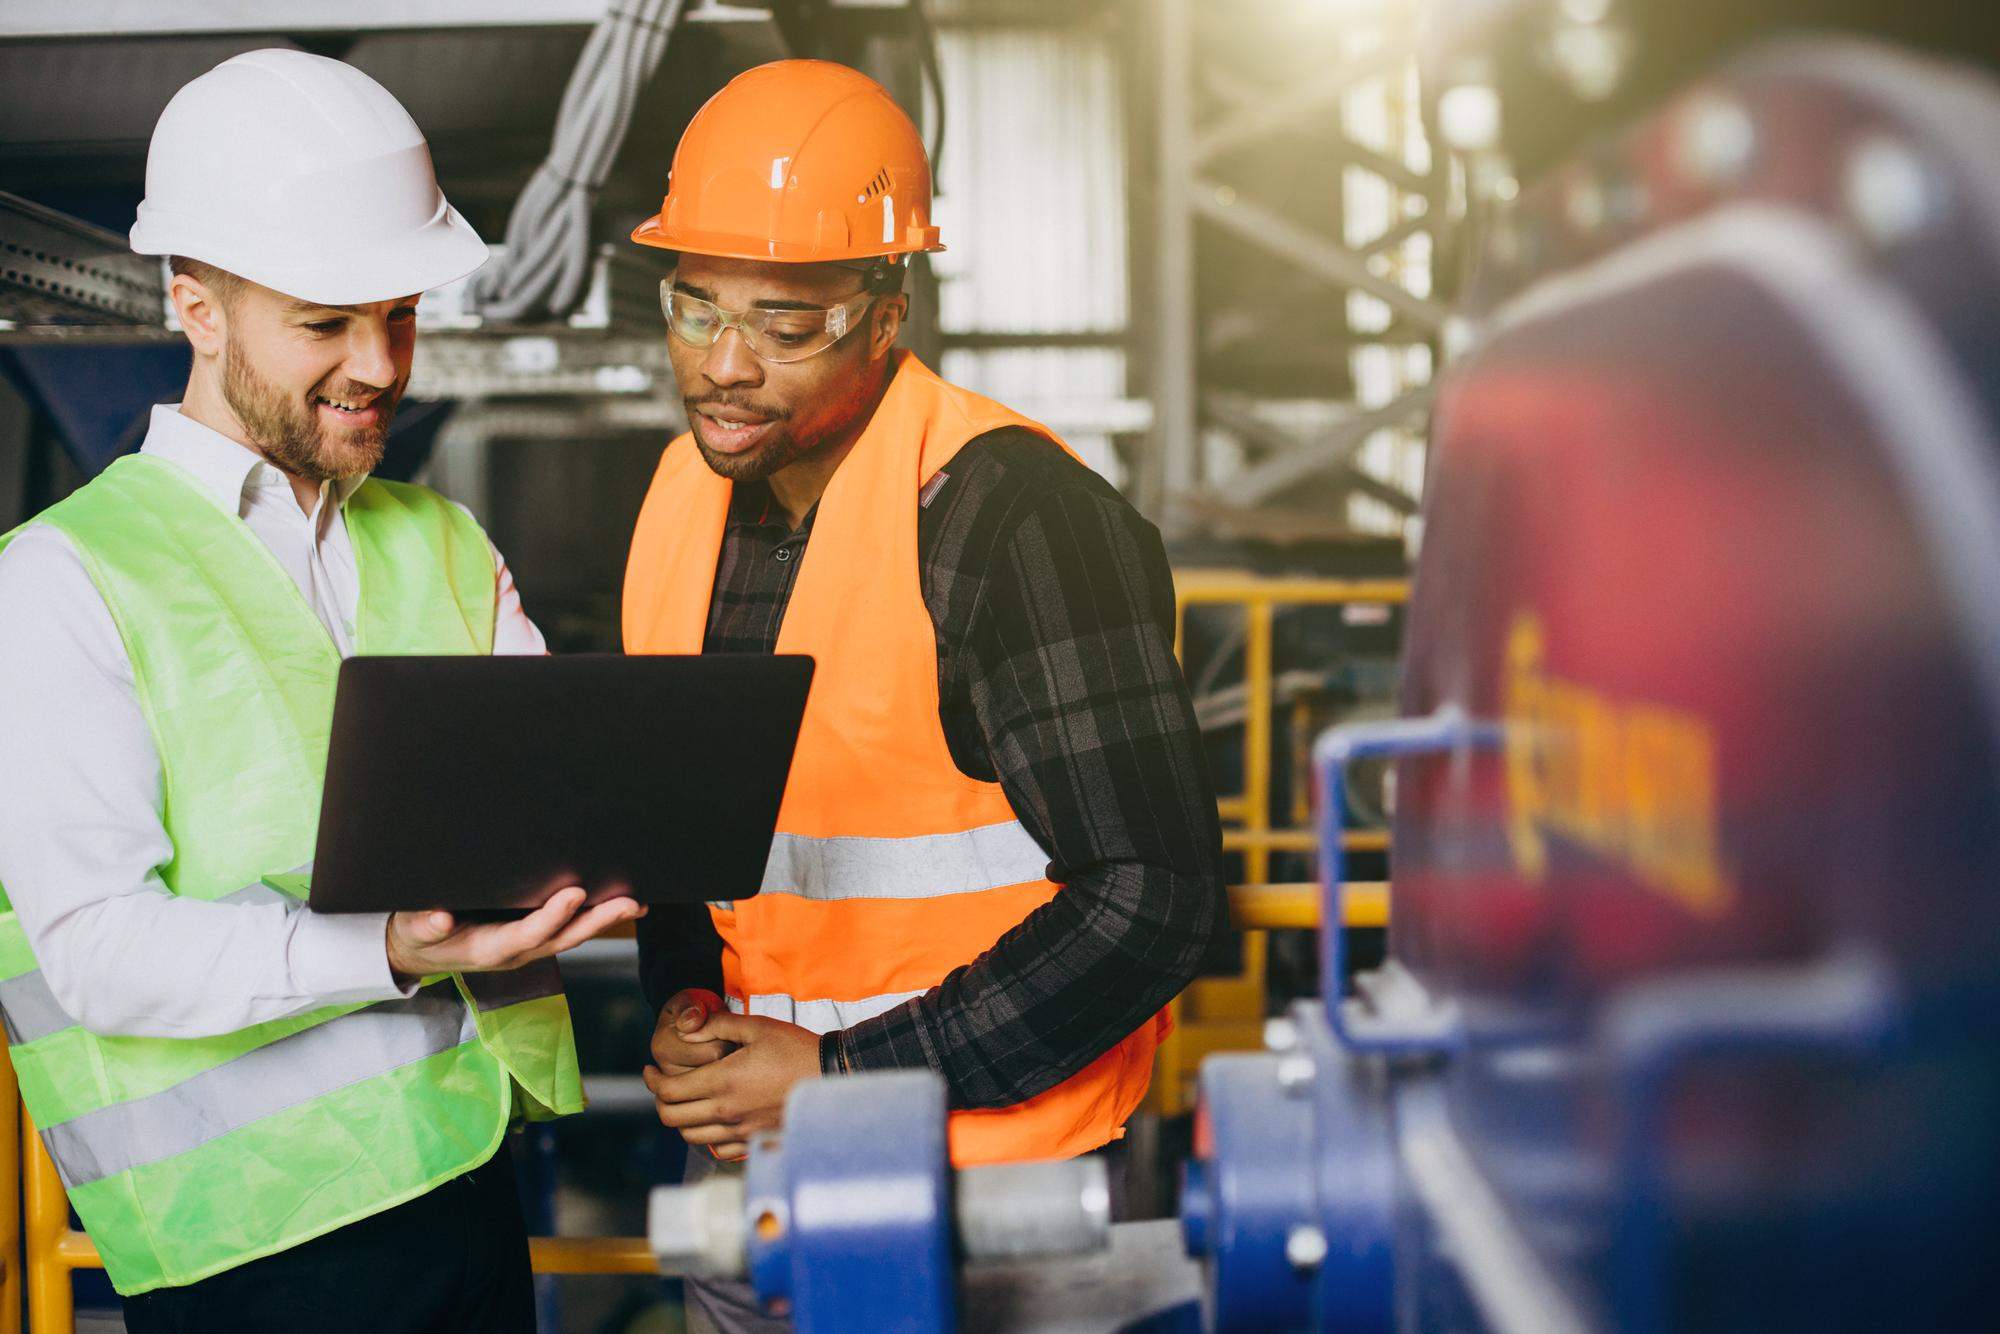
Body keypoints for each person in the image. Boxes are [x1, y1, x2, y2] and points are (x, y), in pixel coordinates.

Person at [0, 50, 641, 1333]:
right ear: (197, 305)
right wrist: (386, 948)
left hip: (467, 1181)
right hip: (249, 1246)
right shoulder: (62, 580)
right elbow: (97, 951)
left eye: (398, 314)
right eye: (325, 321)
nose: (380, 363)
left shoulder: (441, 538)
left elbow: (551, 803)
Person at [622, 60, 1229, 1331]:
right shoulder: (682, 496)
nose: (725, 364)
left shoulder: (1016, 522)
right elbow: (694, 836)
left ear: (884, 311)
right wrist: (683, 1002)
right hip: (751, 1172)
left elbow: (1156, 894)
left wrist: (843, 1076)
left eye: (784, 325)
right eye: (694, 308)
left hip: (995, 1190)